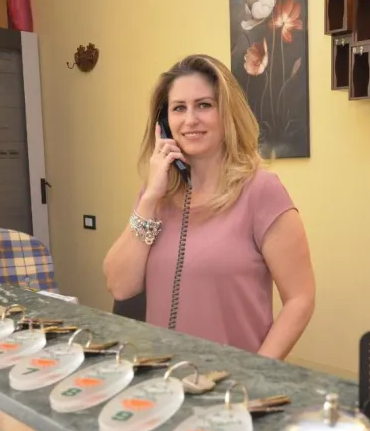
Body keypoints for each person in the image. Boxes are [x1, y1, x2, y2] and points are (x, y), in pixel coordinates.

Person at [103, 54, 314, 360]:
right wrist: (150, 198)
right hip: (164, 375)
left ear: (227, 113)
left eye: (204, 105)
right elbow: (120, 286)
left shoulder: (261, 191)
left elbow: (300, 298)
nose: (190, 120)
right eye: (179, 108)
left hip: (234, 379)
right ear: (164, 123)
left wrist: (258, 371)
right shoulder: (156, 194)